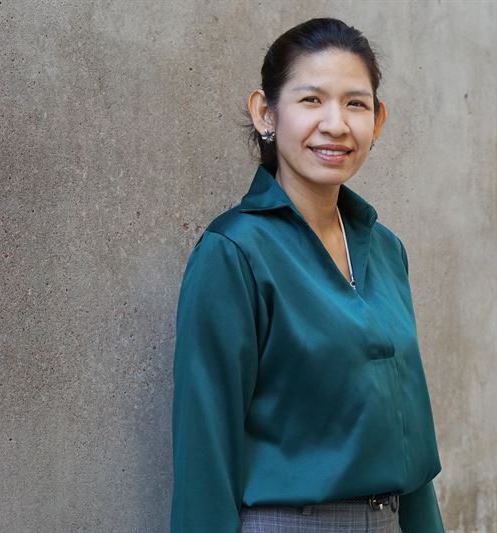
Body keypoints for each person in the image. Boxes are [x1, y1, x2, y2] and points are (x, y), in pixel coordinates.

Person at [170, 17, 444, 533]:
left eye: (355, 104)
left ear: (378, 120)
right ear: (265, 112)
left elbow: (407, 433)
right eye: (312, 99)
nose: (336, 124)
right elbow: (204, 448)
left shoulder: (386, 250)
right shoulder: (234, 252)